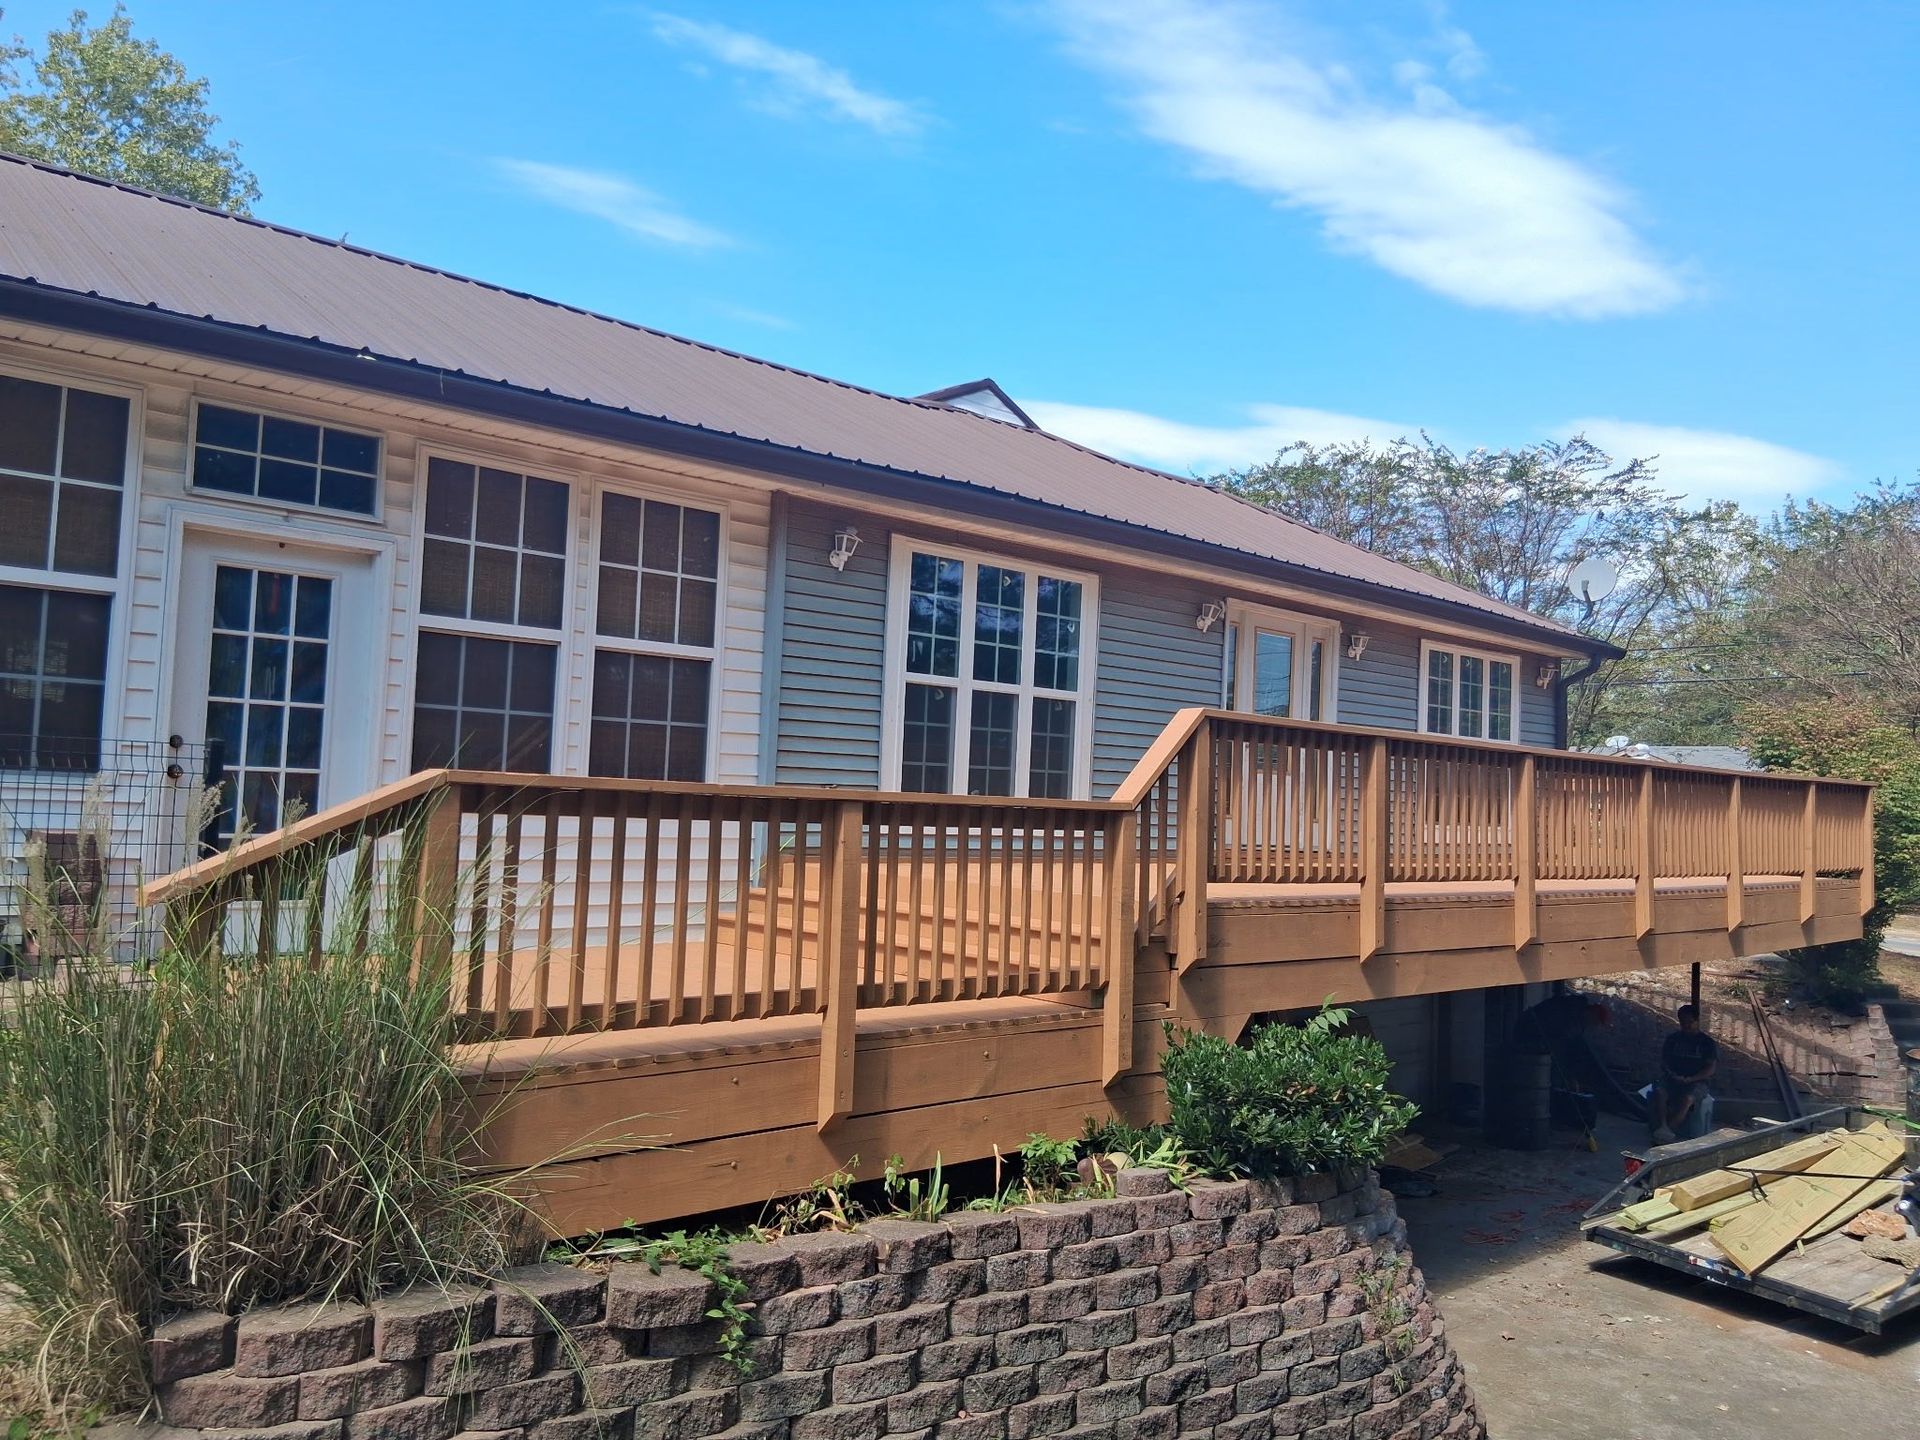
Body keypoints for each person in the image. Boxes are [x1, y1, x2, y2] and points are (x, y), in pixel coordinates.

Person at [1651, 1004, 1717, 1143]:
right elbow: (1664, 1062)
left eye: (1690, 1022)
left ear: (1697, 1021)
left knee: (1688, 1099)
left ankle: (1669, 1129)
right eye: (1683, 1022)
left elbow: (1710, 1069)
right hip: (1672, 1078)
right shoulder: (1673, 1039)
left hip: (1697, 1081)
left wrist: (1691, 1079)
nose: (1686, 1026)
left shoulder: (1706, 1043)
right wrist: (1673, 1075)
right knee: (1659, 1091)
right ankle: (1662, 1124)